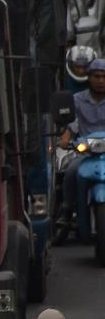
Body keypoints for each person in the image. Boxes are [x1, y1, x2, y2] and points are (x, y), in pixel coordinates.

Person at [61, 58, 105, 226]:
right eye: (96, 76)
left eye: (104, 76)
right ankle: (67, 209)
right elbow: (71, 125)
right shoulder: (77, 99)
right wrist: (65, 139)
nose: (101, 81)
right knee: (71, 171)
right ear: (88, 78)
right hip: (87, 152)